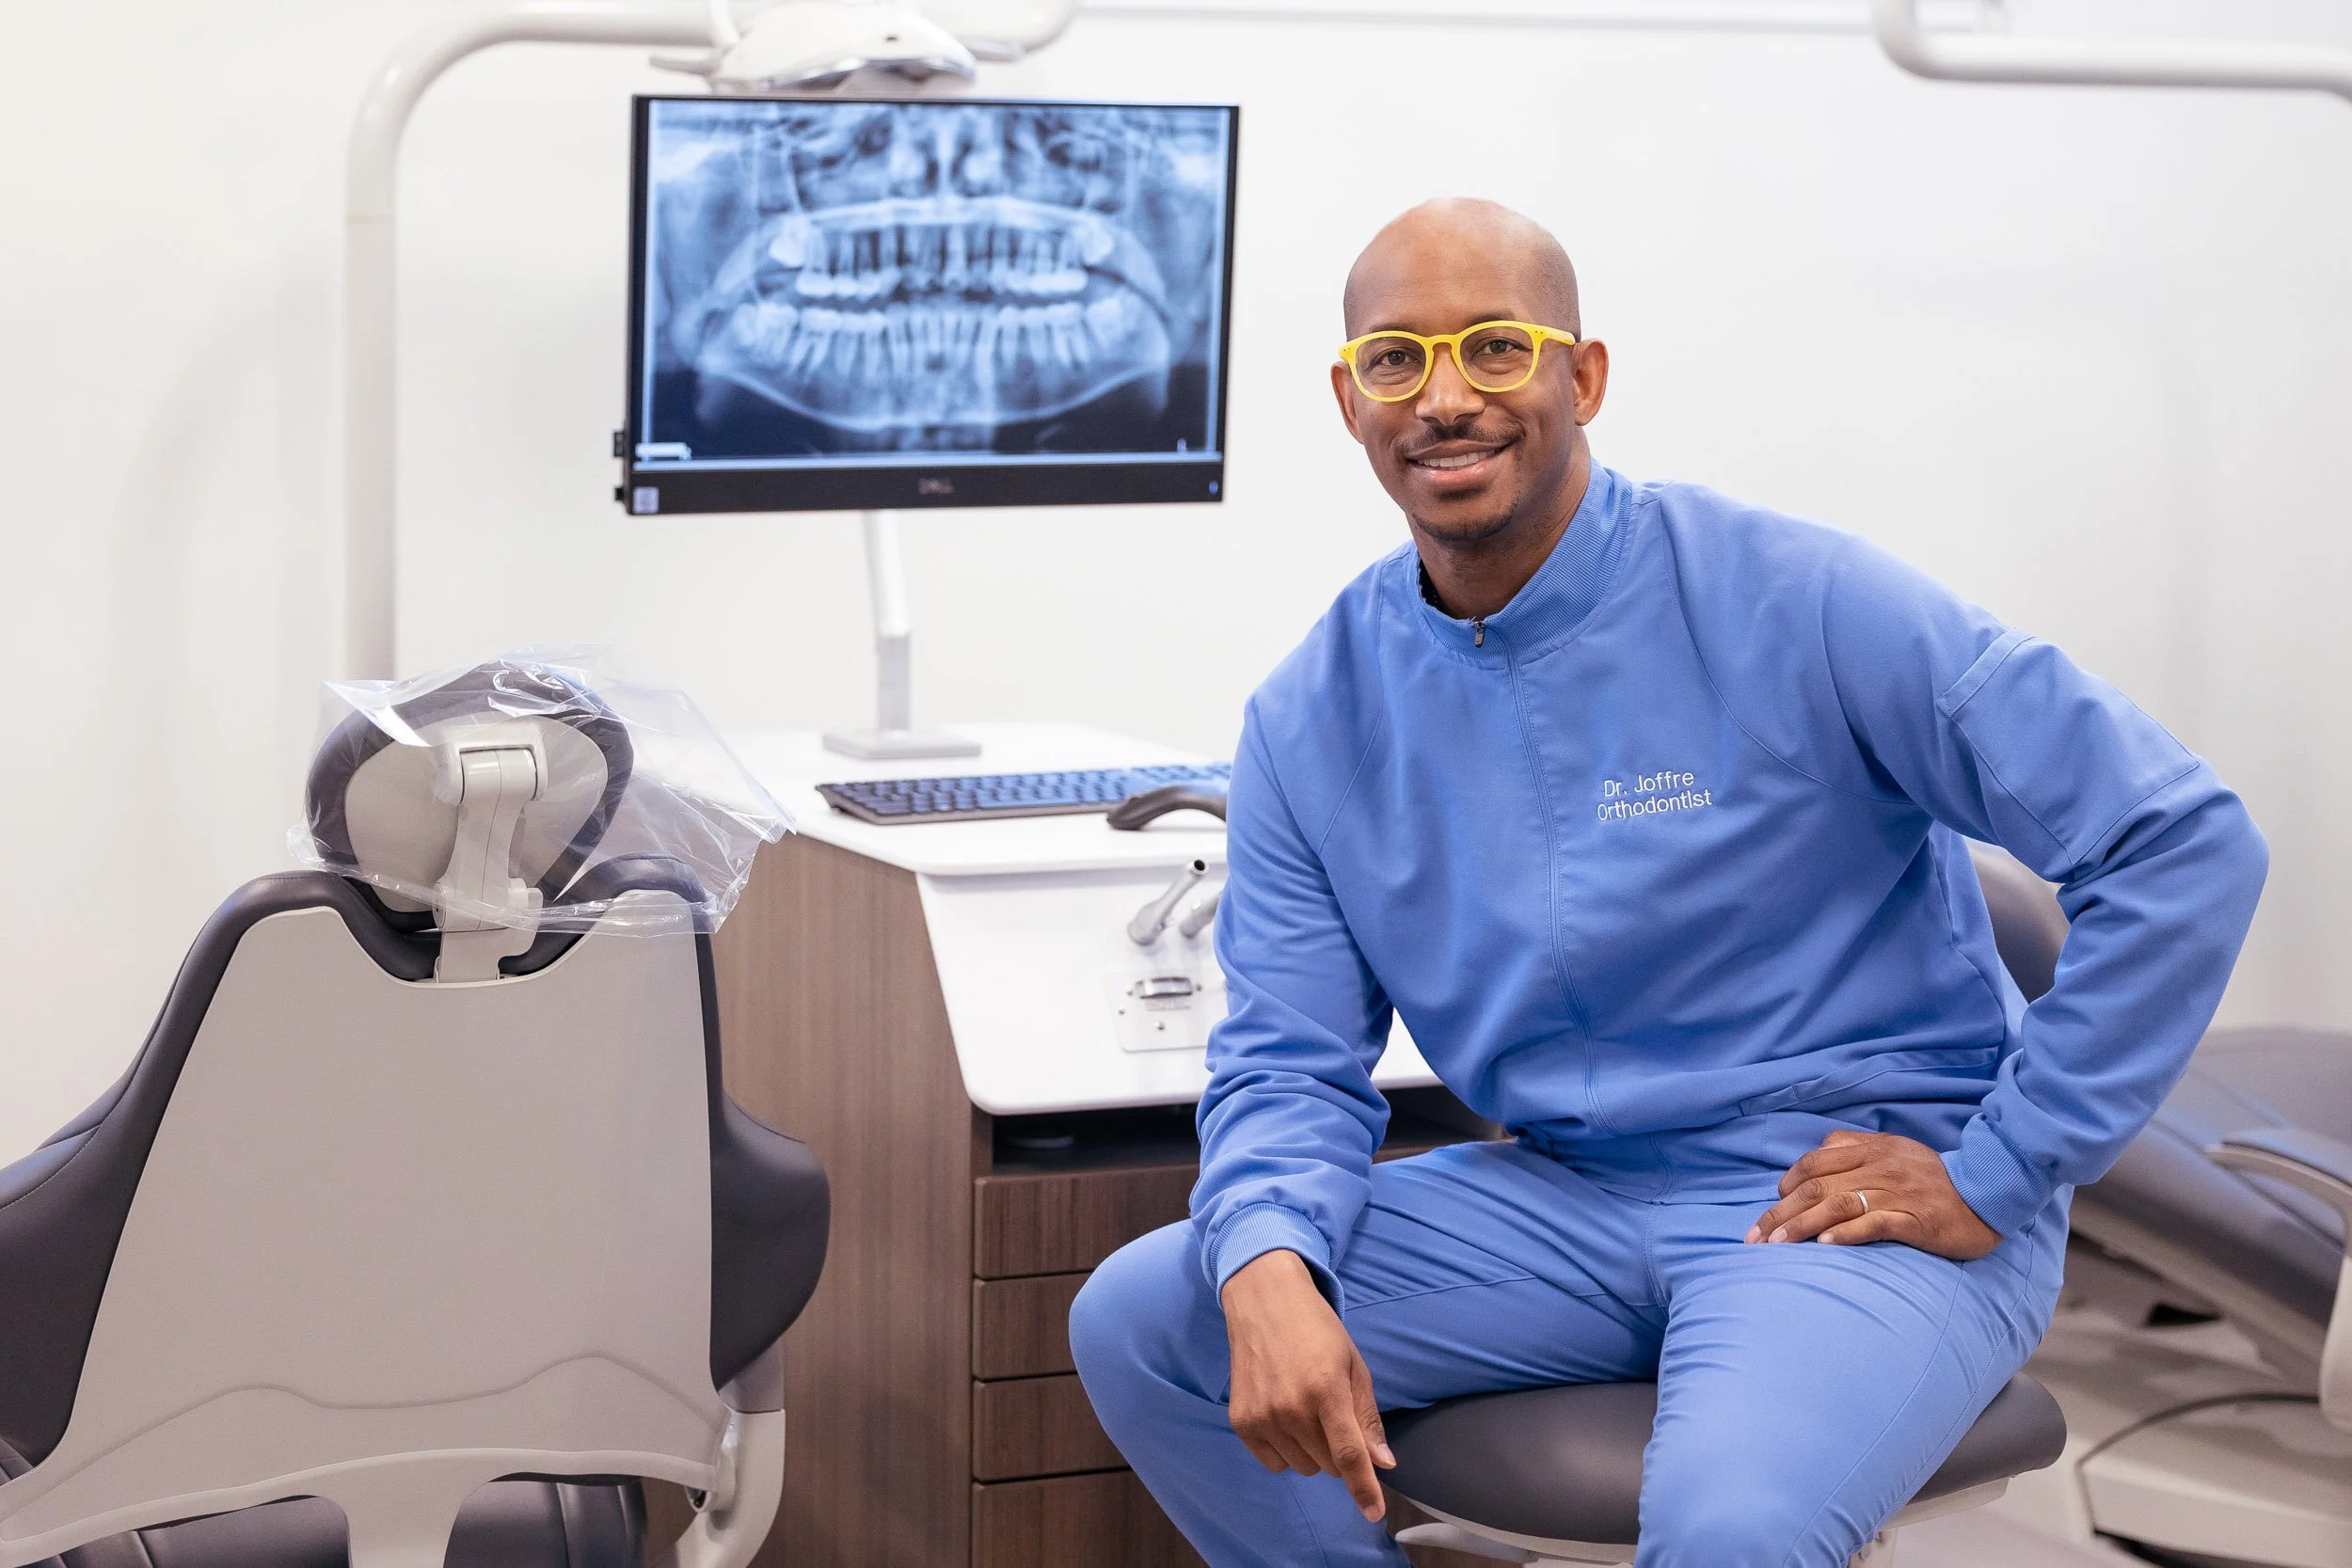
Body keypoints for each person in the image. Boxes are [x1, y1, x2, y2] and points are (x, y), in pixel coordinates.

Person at [1067, 198, 2270, 1568]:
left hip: (1839, 1195)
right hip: (1566, 1199)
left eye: (1496, 349)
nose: (1446, 396)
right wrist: (1267, 1254)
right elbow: (1287, 1060)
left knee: (1727, 1526)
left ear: (1583, 376)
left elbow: (2182, 838)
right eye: (1398, 359)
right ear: (1351, 402)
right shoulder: (1310, 716)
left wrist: (2001, 1166)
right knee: (1148, 1317)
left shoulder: (1798, 598)